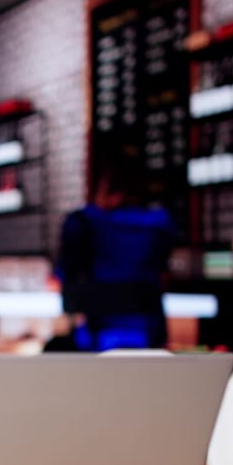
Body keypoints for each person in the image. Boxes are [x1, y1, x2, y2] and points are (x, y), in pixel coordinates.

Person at [54, 148, 175, 351]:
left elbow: (65, 279)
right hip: (150, 338)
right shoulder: (160, 223)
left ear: (105, 186)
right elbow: (163, 276)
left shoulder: (83, 222)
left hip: (96, 338)